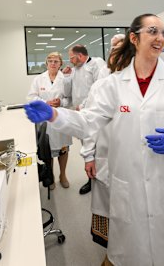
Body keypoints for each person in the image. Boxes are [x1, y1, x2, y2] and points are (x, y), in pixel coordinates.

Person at [25, 14, 164, 266]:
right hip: (128, 181)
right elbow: (88, 122)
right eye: (153, 31)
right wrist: (55, 114)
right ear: (134, 38)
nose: (160, 38)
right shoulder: (112, 86)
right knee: (132, 251)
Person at [83, 33, 125, 248]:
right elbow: (90, 125)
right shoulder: (100, 86)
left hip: (132, 159)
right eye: (113, 50)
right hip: (105, 155)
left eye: (122, 50)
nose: (117, 55)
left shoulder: (139, 84)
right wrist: (88, 155)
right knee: (107, 204)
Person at [62, 44, 107, 195]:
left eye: (71, 58)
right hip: (81, 114)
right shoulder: (74, 69)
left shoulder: (97, 64)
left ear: (80, 56)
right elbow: (68, 93)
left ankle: (102, 181)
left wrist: (84, 105)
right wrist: (67, 77)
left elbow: (99, 89)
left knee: (99, 148)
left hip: (95, 114)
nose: (70, 61)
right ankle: (91, 179)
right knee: (87, 148)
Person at [27, 52, 71, 189]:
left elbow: (70, 98)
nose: (53, 63)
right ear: (46, 63)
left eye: (56, 61)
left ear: (60, 63)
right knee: (48, 150)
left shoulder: (66, 79)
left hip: (61, 117)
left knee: (63, 149)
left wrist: (61, 102)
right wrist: (45, 102)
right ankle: (50, 176)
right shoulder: (39, 79)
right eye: (50, 60)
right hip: (45, 120)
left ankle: (62, 175)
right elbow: (31, 97)